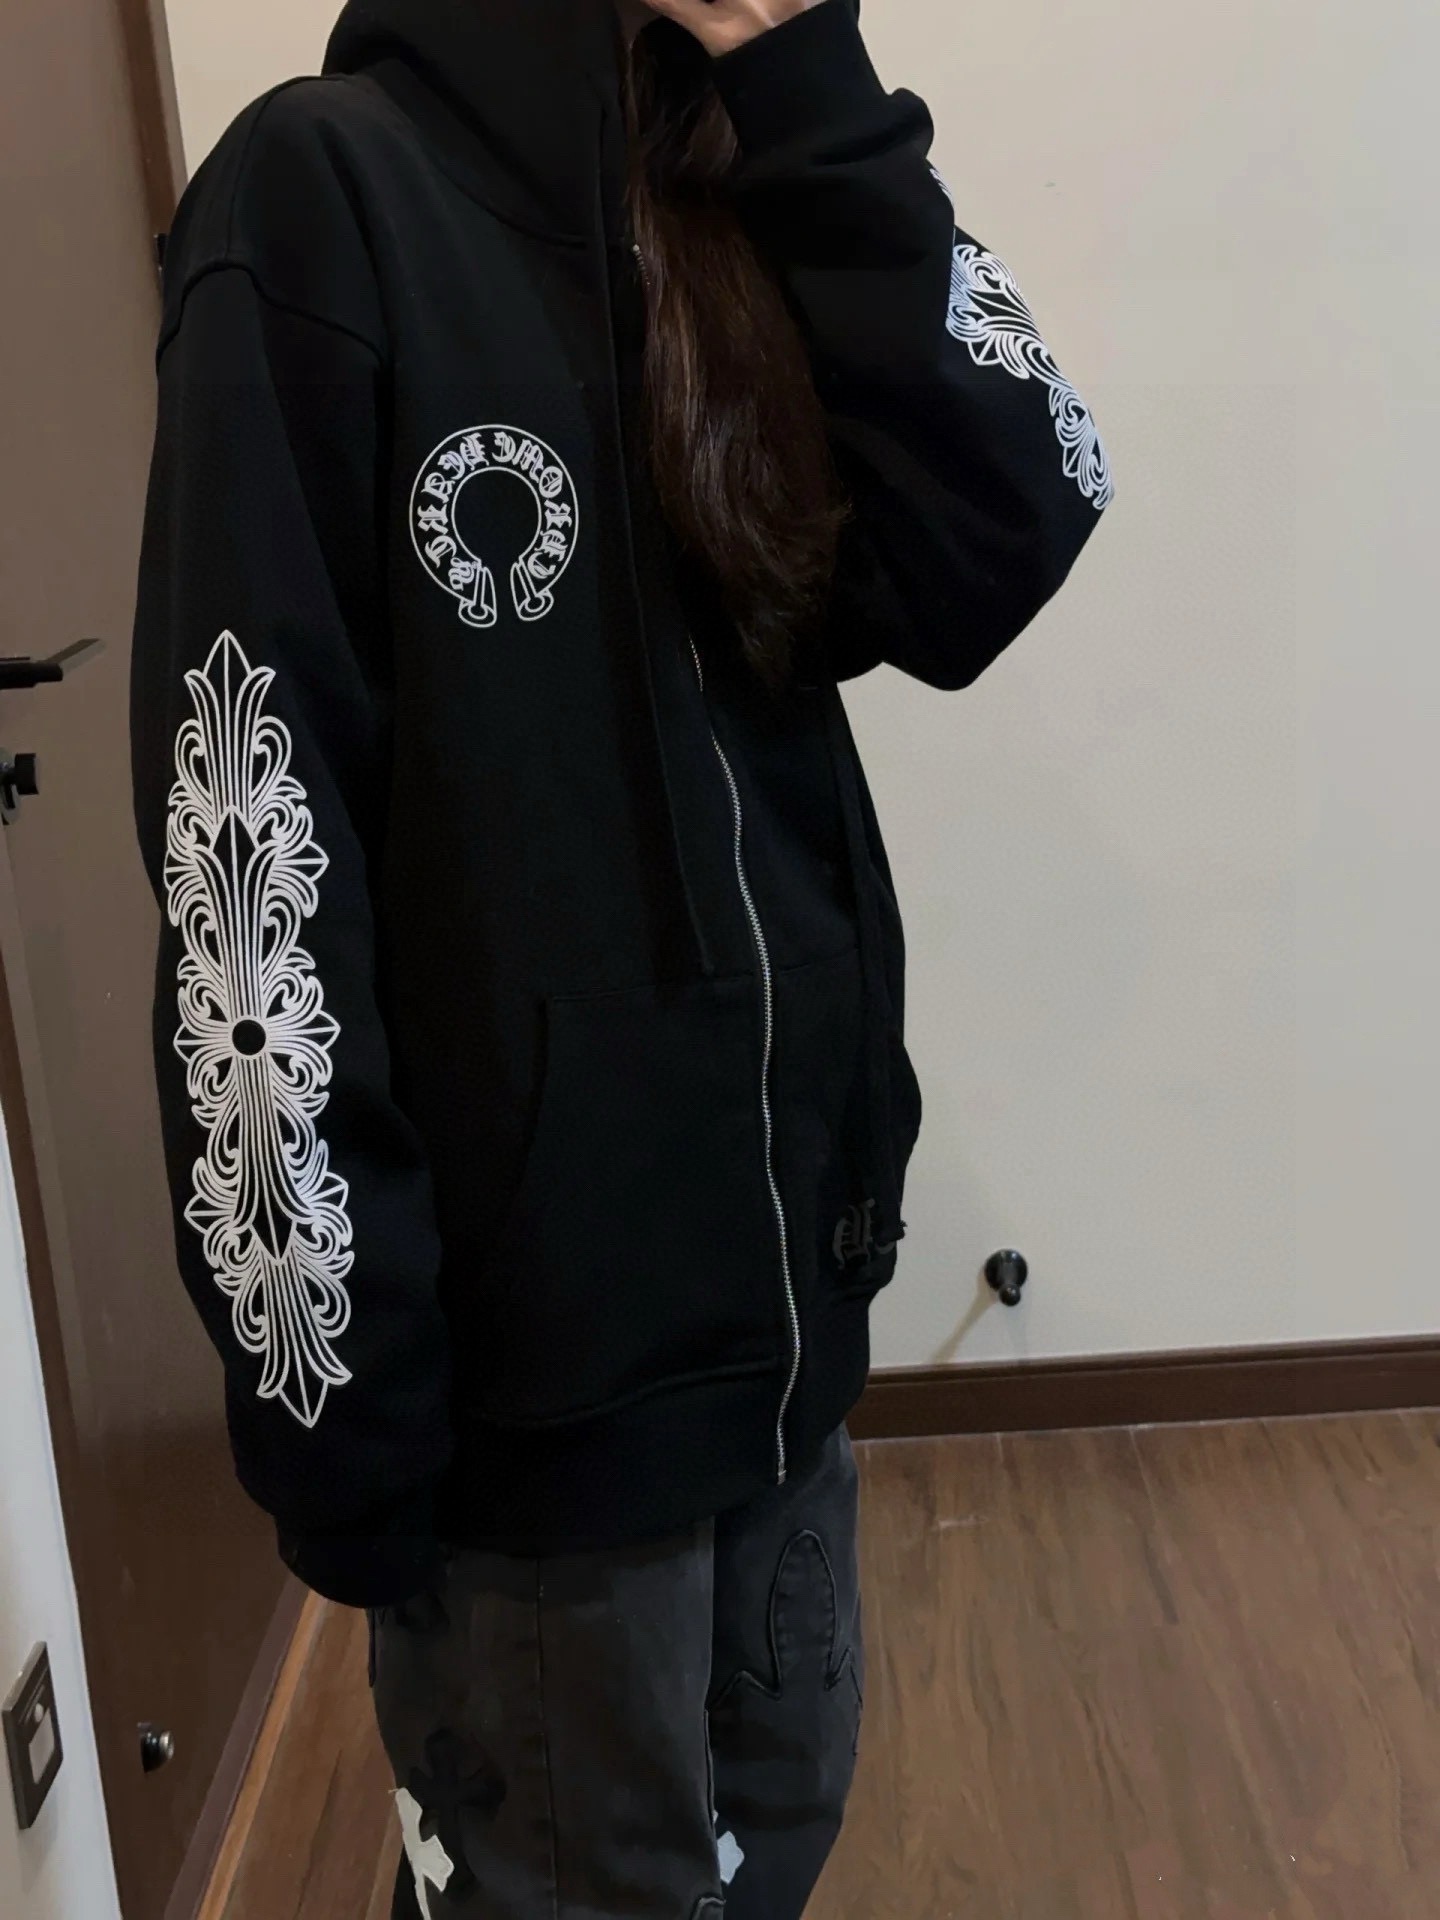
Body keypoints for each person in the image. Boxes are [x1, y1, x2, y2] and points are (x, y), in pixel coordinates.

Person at [128, 0, 1111, 1913]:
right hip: (534, 1428)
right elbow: (244, 835)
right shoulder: (320, 193)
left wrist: (806, 86)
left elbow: (1025, 496)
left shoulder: (741, 185)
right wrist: (334, 1396)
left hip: (790, 1345)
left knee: (776, 1844)